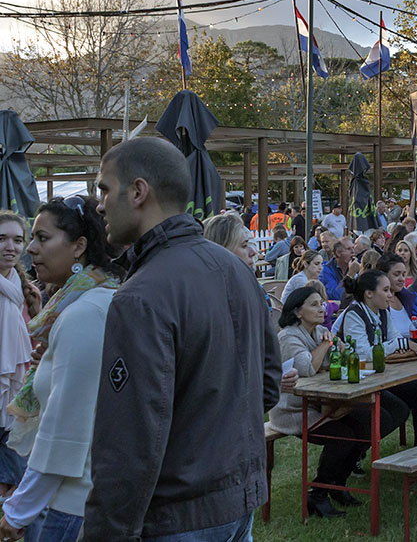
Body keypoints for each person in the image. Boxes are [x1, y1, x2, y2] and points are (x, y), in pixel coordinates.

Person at [84, 138, 281, 540]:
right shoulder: (235, 269)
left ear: (138, 192)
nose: (99, 204)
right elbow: (268, 383)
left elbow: (129, 440)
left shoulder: (140, 296)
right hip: (235, 504)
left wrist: (106, 532)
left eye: (104, 188)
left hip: (178, 516)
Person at [0, 199, 117, 541]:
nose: (30, 249)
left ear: (79, 246)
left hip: (72, 502)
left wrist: (18, 510)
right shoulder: (86, 300)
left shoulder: (83, 313)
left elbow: (65, 429)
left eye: (42, 238)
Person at [269, 287, 398, 518]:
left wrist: (339, 348)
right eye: (314, 305)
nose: (322, 309)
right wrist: (326, 345)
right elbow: (307, 368)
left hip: (320, 401)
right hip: (294, 409)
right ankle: (318, 493)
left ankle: (337, 483)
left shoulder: (319, 331)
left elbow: (337, 362)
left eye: (322, 303)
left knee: (371, 424)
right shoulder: (288, 336)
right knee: (344, 437)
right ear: (298, 312)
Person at [342, 271, 417, 447]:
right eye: (386, 290)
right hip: (360, 382)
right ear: (369, 293)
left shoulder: (382, 311)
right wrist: (399, 344)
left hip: (383, 375)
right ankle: (360, 447)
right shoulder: (354, 314)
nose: (391, 295)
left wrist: (398, 343)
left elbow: (395, 337)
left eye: (390, 290)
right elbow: (365, 353)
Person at [0, 212, 36, 499]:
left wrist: (38, 313)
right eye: (1, 239)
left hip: (16, 394)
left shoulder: (27, 292)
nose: (9, 247)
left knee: (14, 487)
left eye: (17, 240)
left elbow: (35, 345)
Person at [320, 237, 357, 301]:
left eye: (353, 248)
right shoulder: (326, 270)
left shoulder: (356, 267)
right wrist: (350, 275)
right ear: (338, 253)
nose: (353, 252)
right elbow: (336, 296)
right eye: (348, 249)